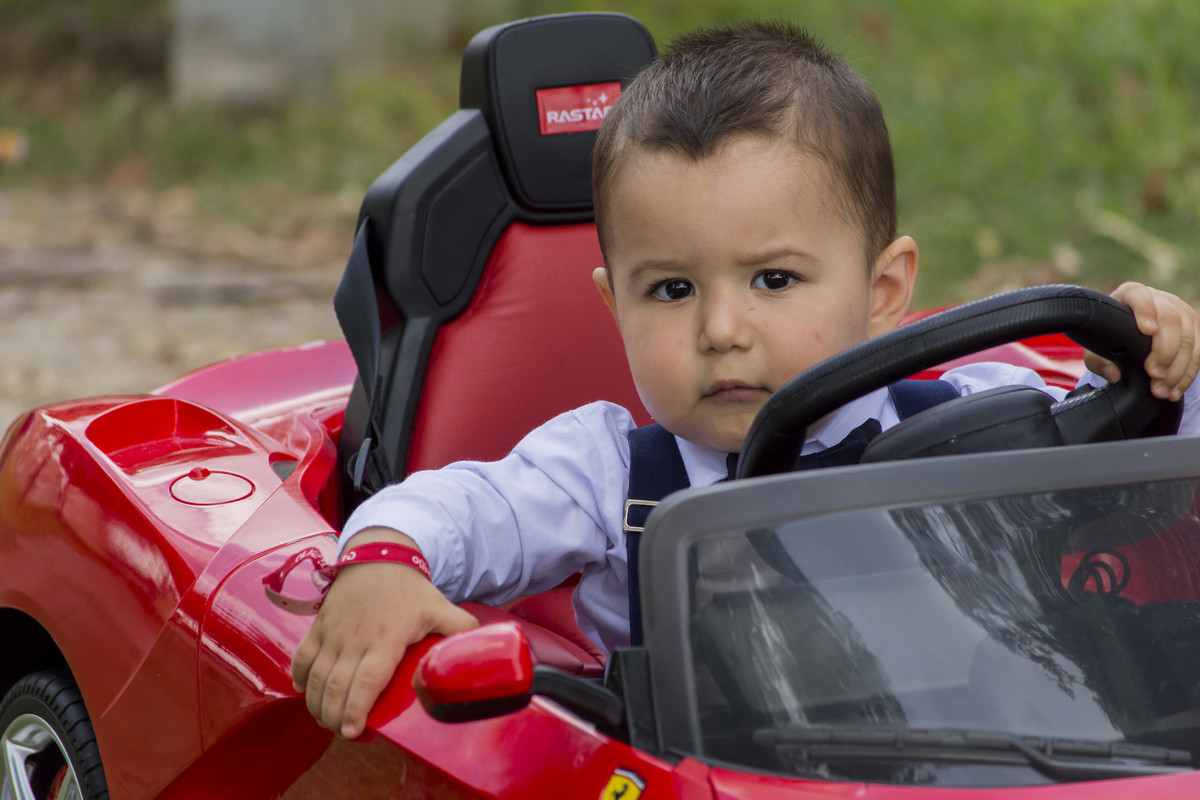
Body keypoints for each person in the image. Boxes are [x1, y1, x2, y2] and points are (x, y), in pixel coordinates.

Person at [292, 20, 1200, 739]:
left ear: (884, 291)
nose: (722, 331)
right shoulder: (610, 476)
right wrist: (381, 564)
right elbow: (453, 508)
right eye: (673, 290)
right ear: (616, 307)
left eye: (774, 280)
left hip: (994, 755)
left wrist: (1165, 365)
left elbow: (1153, 467)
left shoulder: (969, 414)